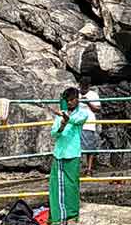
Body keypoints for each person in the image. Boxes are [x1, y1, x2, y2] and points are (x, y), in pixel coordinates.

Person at [49, 87, 88, 225]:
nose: (70, 102)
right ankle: (57, 218)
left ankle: (72, 217)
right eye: (68, 100)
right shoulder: (60, 115)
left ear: (77, 99)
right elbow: (54, 133)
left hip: (73, 153)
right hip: (59, 154)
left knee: (72, 186)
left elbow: (76, 120)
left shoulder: (83, 113)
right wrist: (62, 125)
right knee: (56, 186)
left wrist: (66, 119)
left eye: (73, 99)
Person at [78, 77, 101, 176]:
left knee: (89, 148)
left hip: (88, 124)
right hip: (77, 123)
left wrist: (88, 103)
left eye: (85, 87)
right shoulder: (76, 94)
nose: (83, 89)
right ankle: (77, 169)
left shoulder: (93, 95)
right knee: (76, 148)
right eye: (82, 87)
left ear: (89, 86)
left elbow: (98, 109)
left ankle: (89, 169)